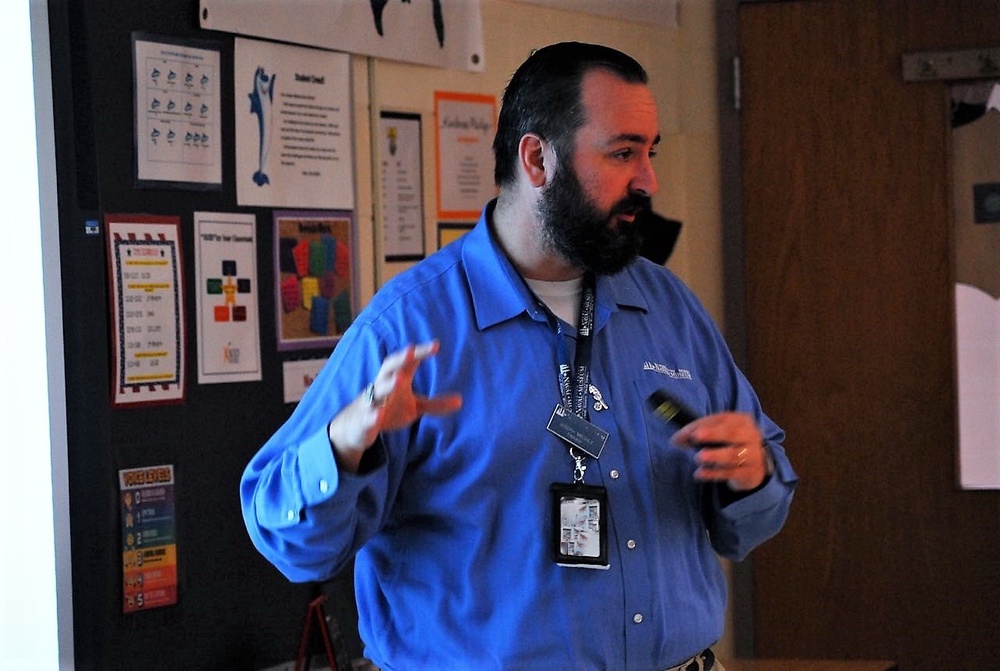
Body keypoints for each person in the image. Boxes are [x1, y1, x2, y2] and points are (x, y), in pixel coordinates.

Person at [241, 41, 797, 671]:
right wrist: (343, 448)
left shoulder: (667, 306)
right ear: (537, 158)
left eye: (650, 152)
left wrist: (751, 475)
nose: (649, 180)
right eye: (622, 153)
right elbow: (290, 545)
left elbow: (753, 519)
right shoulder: (409, 326)